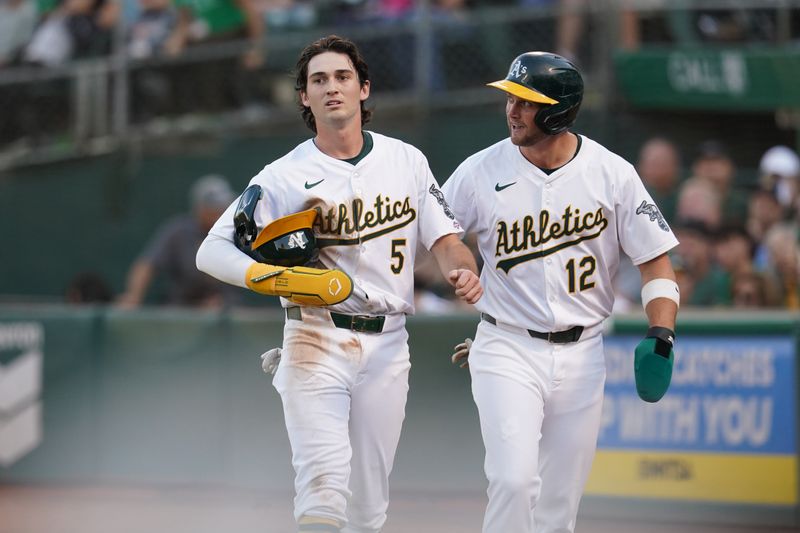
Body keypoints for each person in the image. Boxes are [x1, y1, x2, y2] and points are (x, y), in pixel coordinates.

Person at [195, 35, 482, 533]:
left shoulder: (406, 161)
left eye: (343, 77)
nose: (332, 88)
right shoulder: (283, 176)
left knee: (369, 508)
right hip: (315, 337)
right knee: (323, 485)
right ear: (304, 97)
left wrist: (463, 267)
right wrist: (273, 277)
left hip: (390, 341)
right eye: (318, 80)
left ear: (364, 88)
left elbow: (447, 238)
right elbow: (211, 252)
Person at [441, 51, 680, 533]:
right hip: (505, 343)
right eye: (510, 98)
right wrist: (459, 266)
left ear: (559, 109)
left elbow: (656, 262)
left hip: (583, 352)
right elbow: (436, 234)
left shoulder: (612, 174)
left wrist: (661, 333)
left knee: (558, 504)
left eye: (525, 101)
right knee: (513, 481)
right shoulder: (479, 170)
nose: (511, 109)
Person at [118, 174, 240, 308]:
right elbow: (147, 264)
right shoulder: (180, 232)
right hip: (183, 312)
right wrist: (134, 296)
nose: (220, 212)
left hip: (228, 314)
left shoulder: (235, 231)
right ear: (200, 208)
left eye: (224, 207)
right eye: (214, 207)